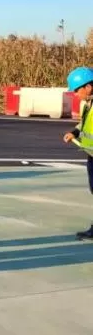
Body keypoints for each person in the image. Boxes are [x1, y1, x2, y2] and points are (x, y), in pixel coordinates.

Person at [62, 66, 93, 240]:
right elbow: (85, 123)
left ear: (88, 87)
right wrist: (74, 132)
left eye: (76, 90)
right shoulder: (87, 105)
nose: (75, 94)